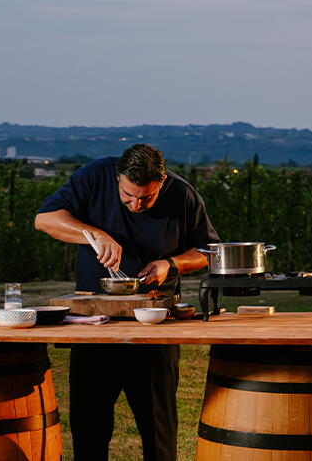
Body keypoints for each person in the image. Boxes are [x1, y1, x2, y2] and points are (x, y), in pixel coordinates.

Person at [34, 143, 219, 461]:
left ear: (161, 183)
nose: (135, 205)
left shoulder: (183, 195)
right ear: (117, 177)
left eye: (146, 197)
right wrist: (93, 234)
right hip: (93, 326)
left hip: (154, 327)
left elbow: (208, 251)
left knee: (158, 437)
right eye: (127, 196)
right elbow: (45, 220)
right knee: (88, 435)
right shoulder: (94, 176)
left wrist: (170, 264)